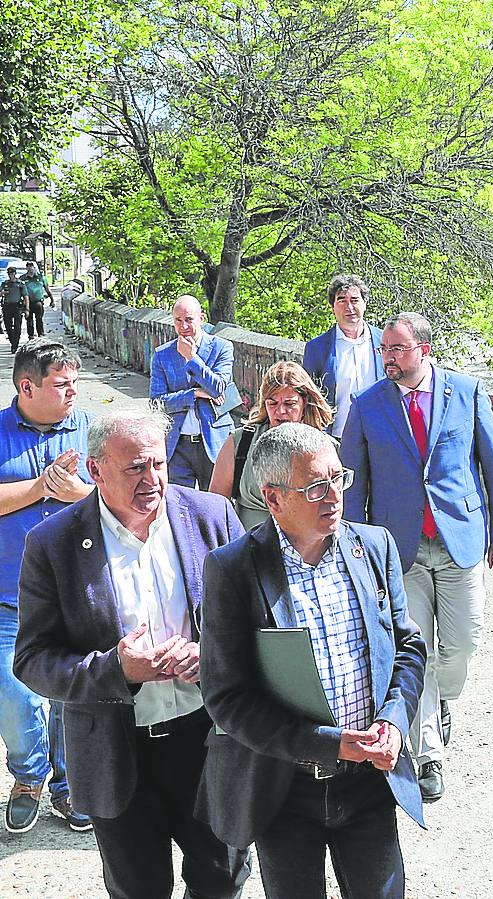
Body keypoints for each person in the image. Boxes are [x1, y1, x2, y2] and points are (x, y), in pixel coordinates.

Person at [13, 410, 252, 899]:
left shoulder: (212, 517)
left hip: (207, 741)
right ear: (96, 472)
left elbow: (257, 624)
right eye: (135, 468)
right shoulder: (52, 543)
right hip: (116, 753)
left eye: (158, 464)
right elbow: (33, 660)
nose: (153, 480)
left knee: (222, 881)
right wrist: (115, 669)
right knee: (138, 889)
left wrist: (209, 654)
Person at [198, 423, 427, 899]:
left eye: (338, 479)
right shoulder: (234, 569)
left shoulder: (373, 547)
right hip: (285, 789)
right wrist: (328, 743)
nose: (334, 496)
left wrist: (393, 722)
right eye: (316, 487)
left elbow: (408, 647)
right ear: (274, 498)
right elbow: (227, 697)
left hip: (370, 782)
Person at [341, 311, 493, 803]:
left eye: (398, 349)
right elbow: (354, 483)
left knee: (460, 648)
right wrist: (355, 545)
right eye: (384, 350)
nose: (389, 358)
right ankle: (427, 754)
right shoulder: (367, 404)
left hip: (460, 541)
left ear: (424, 350)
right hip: (400, 551)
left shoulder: (466, 391)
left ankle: (442, 701)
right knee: (413, 650)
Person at [0, 338, 94, 834]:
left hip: (76, 593)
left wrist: (81, 494)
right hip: (8, 598)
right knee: (15, 699)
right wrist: (39, 488)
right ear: (27, 386)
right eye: (62, 385)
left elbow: (126, 496)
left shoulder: (88, 427)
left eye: (75, 383)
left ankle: (68, 785)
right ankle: (28, 775)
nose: (73, 392)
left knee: (72, 696)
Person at [208, 360, 334, 528]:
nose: (280, 411)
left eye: (289, 404)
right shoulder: (239, 442)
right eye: (272, 403)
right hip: (248, 548)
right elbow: (214, 507)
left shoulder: (324, 448)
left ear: (305, 402)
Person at [149, 295, 234, 489]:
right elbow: (156, 403)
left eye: (189, 319)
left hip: (213, 441)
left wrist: (192, 358)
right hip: (177, 444)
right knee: (178, 505)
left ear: (201, 319)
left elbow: (218, 387)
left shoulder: (222, 348)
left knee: (215, 503)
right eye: (178, 321)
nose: (184, 326)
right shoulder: (163, 354)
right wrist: (194, 394)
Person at [302, 274, 383, 438]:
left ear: (365, 304)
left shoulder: (385, 342)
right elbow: (309, 398)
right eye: (342, 301)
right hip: (337, 437)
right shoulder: (317, 349)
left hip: (379, 435)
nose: (349, 307)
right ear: (332, 307)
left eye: (354, 300)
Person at [22, 262, 50, 338]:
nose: (30, 268)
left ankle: (40, 334)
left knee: (39, 319)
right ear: (26, 268)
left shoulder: (41, 277)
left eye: (31, 266)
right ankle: (31, 335)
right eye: (28, 266)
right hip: (28, 303)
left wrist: (52, 299)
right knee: (29, 320)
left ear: (34, 268)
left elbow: (47, 289)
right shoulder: (23, 278)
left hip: (38, 302)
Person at [3, 268, 27, 352]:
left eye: (12, 273)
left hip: (17, 306)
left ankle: (15, 345)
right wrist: (3, 293)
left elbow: (25, 296)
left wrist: (26, 308)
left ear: (15, 273)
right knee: (8, 326)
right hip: (7, 306)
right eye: (9, 273)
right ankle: (12, 341)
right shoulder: (5, 283)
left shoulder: (20, 284)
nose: (10, 275)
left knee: (17, 326)